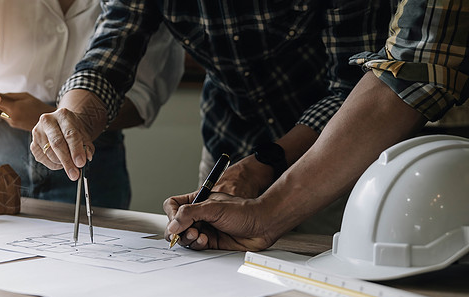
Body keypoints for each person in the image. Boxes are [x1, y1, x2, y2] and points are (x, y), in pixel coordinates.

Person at [31, 0, 389, 233]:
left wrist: (261, 165)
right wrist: (72, 116)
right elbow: (108, 57)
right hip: (226, 146)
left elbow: (353, 87)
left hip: (337, 151)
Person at [163, 0, 468, 251]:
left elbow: (412, 65)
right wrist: (263, 212)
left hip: (338, 145)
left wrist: (266, 208)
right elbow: (115, 50)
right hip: (228, 132)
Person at [0, 0, 184, 209]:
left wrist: (62, 117)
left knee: (90, 261)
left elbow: (143, 96)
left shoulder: (137, 8)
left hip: (90, 148)